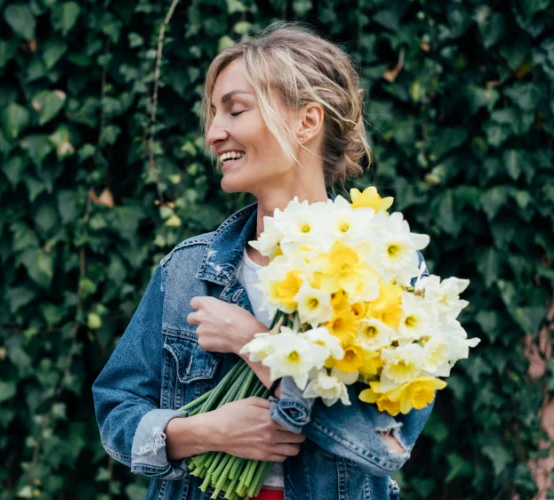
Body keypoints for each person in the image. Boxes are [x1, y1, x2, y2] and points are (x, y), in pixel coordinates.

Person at [92, 22, 432, 500]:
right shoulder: (187, 270)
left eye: (236, 109)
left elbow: (388, 443)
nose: (214, 133)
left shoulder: (387, 268)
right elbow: (115, 407)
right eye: (213, 114)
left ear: (307, 121)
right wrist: (204, 431)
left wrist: (256, 345)